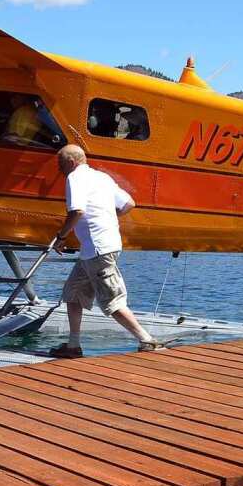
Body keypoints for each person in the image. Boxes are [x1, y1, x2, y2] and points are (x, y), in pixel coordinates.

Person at [48, 144, 164, 357]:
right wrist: (106, 218)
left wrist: (62, 237)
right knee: (73, 293)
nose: (58, 168)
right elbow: (129, 204)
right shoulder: (102, 178)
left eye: (60, 163)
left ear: (71, 162)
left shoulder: (74, 178)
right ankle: (73, 345)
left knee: (111, 300)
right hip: (95, 249)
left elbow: (77, 210)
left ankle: (147, 340)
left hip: (98, 250)